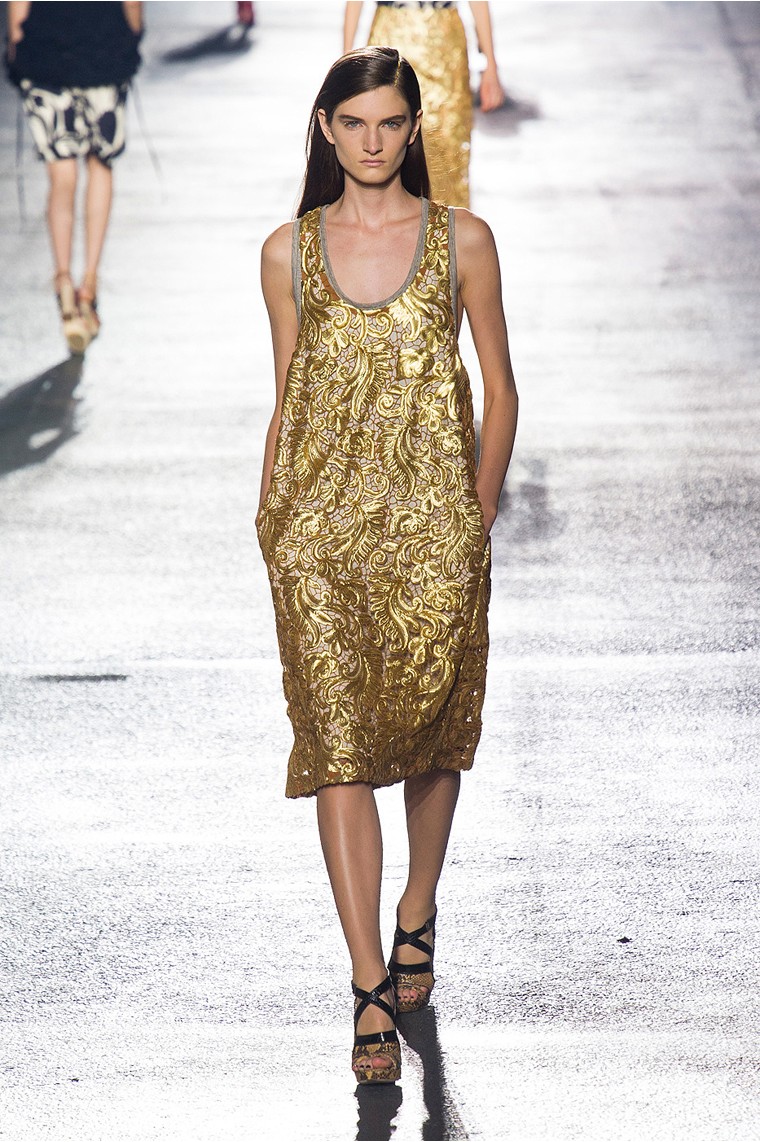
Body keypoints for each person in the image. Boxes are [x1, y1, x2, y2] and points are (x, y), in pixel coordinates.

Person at [256, 46, 518, 1084]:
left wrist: (475, 513)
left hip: (432, 528)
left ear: (415, 127)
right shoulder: (287, 252)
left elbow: (499, 386)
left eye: (390, 122)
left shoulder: (464, 242)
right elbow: (289, 393)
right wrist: (272, 519)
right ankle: (368, 977)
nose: (372, 141)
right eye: (354, 122)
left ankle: (418, 905)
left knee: (431, 730)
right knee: (338, 743)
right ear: (327, 128)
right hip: (317, 534)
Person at [6, 1, 143, 353]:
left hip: (45, 54)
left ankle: (64, 284)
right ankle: (89, 288)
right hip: (104, 47)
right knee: (100, 165)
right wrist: (132, 33)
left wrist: (17, 44)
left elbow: (19, 9)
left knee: (61, 174)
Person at [343, 2, 505, 207]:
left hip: (445, 49)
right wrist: (346, 60)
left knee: (448, 147)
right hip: (391, 39)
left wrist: (490, 66)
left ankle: (446, 225)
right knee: (387, 143)